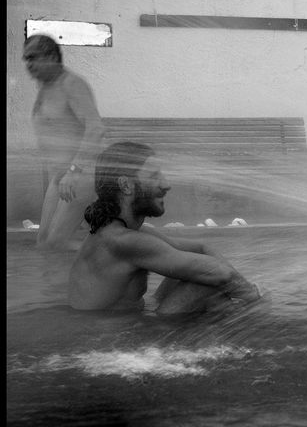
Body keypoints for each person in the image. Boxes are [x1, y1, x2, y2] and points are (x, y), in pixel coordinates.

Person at [68, 141, 262, 314]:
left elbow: (201, 249)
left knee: (200, 276)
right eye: (154, 176)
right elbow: (221, 273)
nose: (166, 184)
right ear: (126, 185)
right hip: (111, 344)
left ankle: (241, 324)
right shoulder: (123, 241)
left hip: (129, 327)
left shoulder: (125, 234)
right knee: (205, 285)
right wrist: (255, 297)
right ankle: (253, 327)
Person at [23, 34, 106, 251]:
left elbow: (96, 128)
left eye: (33, 58)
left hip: (79, 176)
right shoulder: (45, 86)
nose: (28, 64)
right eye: (26, 59)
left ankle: (109, 255)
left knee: (55, 243)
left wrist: (74, 170)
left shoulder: (72, 84)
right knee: (44, 244)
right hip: (59, 179)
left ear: (51, 56)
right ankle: (102, 253)